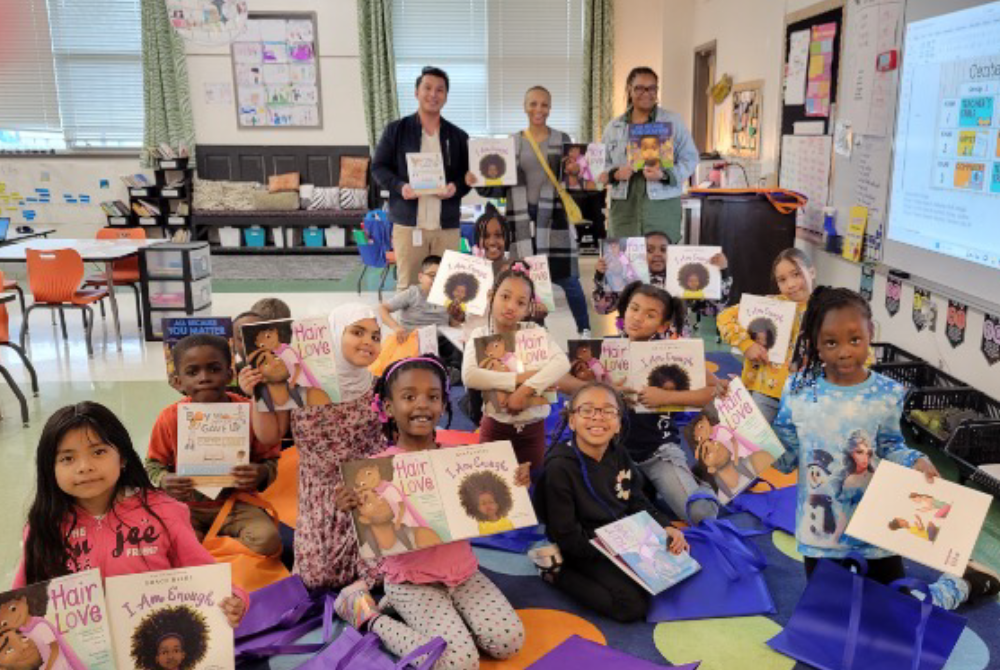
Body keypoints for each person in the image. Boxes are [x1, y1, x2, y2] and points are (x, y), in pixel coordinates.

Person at [772, 286, 999, 607]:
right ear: (816, 345)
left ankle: (959, 585)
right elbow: (785, 457)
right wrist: (745, 438)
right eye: (831, 342)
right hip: (820, 534)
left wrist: (916, 460)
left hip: (875, 532)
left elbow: (892, 445)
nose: (844, 351)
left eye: (855, 340)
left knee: (900, 613)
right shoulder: (797, 389)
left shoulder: (886, 392)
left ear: (870, 333)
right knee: (830, 616)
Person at [333, 356, 525, 670]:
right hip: (411, 582)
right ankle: (368, 616)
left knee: (508, 641)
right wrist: (347, 505)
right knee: (457, 663)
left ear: (443, 403)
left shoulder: (460, 457)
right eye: (409, 397)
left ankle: (423, 612)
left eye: (432, 397)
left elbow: (490, 508)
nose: (422, 405)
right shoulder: (374, 471)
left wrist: (513, 481)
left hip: (463, 574)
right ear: (389, 407)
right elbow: (367, 526)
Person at [12, 402, 247, 627]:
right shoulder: (43, 527)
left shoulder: (164, 512)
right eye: (67, 458)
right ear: (50, 469)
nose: (84, 466)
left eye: (98, 452)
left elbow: (207, 576)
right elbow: (18, 602)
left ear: (122, 457)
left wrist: (234, 598)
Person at [560, 282, 727, 524]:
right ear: (624, 309)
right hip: (608, 453)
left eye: (650, 315)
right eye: (634, 309)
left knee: (702, 515)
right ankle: (643, 486)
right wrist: (604, 390)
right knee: (595, 513)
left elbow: (707, 392)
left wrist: (665, 397)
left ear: (663, 325)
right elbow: (562, 380)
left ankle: (695, 481)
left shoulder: (670, 353)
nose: (638, 318)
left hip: (657, 453)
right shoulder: (605, 348)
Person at [247, 303, 386, 591]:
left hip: (367, 488)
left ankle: (363, 591)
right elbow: (270, 435)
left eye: (375, 336)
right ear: (335, 334)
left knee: (384, 574)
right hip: (319, 493)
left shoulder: (378, 386)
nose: (368, 342)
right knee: (317, 578)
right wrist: (255, 394)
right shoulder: (299, 382)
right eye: (357, 332)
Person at [534, 382, 689, 622]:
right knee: (630, 606)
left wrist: (665, 525)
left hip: (621, 536)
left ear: (618, 423)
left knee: (675, 576)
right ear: (572, 420)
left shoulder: (619, 454)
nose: (598, 418)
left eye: (608, 411)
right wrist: (621, 553)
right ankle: (555, 572)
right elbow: (566, 536)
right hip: (582, 546)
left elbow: (636, 499)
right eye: (587, 410)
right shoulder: (559, 468)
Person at [466, 86, 591, 336]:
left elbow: (577, 184)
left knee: (570, 280)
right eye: (533, 104)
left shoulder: (563, 139)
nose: (539, 110)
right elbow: (499, 188)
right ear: (525, 107)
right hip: (519, 221)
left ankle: (585, 331)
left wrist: (581, 174)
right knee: (527, 281)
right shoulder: (512, 142)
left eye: (544, 104)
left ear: (550, 108)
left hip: (555, 220)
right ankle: (537, 333)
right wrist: (477, 181)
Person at [146, 335, 283, 556]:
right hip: (187, 508)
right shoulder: (169, 418)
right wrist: (165, 480)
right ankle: (208, 549)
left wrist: (261, 472)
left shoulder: (250, 410)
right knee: (172, 542)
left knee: (268, 540)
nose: (204, 378)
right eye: (192, 372)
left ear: (230, 375)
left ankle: (210, 552)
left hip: (237, 504)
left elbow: (271, 458)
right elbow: (152, 465)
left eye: (214, 369)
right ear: (178, 381)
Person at [462, 265, 571, 474]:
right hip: (495, 427)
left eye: (520, 302)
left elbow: (561, 363)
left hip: (533, 431)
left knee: (532, 486)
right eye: (505, 296)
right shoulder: (480, 334)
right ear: (491, 296)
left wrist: (524, 390)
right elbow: (470, 376)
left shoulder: (534, 331)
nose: (511, 306)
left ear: (528, 308)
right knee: (490, 484)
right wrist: (519, 378)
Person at [372, 66, 471, 290]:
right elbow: (378, 167)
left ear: (446, 96)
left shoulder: (458, 136)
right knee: (408, 287)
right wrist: (400, 186)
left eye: (440, 90)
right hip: (408, 227)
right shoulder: (396, 131)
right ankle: (407, 327)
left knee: (448, 288)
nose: (433, 94)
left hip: (446, 227)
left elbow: (467, 178)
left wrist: (456, 187)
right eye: (427, 88)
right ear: (416, 92)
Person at [600, 67, 700, 243]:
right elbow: (600, 165)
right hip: (624, 208)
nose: (646, 93)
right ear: (629, 90)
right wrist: (615, 173)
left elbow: (690, 158)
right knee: (625, 262)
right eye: (639, 88)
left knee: (661, 262)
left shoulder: (673, 122)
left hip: (662, 207)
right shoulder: (613, 127)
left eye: (652, 88)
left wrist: (664, 174)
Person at [718, 248, 816, 422]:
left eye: (797, 274)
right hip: (765, 391)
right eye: (782, 280)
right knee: (753, 440)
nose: (791, 284)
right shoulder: (771, 303)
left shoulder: (827, 309)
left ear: (812, 272)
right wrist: (746, 344)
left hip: (807, 396)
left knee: (794, 445)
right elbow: (724, 317)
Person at [593, 232, 732, 321]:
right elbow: (602, 308)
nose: (657, 254)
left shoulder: (684, 282)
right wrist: (601, 276)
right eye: (649, 250)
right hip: (637, 342)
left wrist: (723, 272)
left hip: (675, 344)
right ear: (640, 252)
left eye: (664, 249)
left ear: (673, 252)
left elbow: (714, 309)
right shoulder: (629, 279)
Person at [378, 254, 465, 373]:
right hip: (412, 340)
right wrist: (396, 328)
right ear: (420, 277)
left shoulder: (449, 297)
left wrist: (456, 317)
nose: (436, 280)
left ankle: (452, 371)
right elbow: (382, 308)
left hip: (439, 340)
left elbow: (453, 325)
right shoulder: (412, 293)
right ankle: (437, 368)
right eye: (432, 275)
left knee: (460, 344)